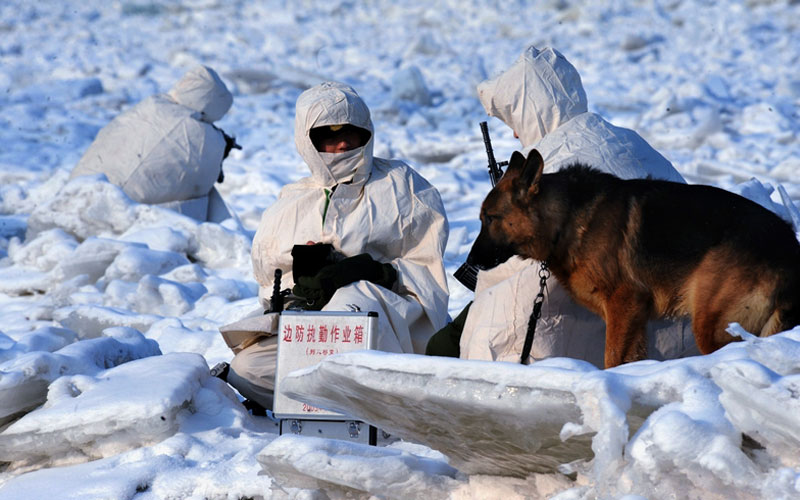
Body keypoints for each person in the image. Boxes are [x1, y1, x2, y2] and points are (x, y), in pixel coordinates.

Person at [427, 46, 697, 368]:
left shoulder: (556, 169)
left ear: (532, 111)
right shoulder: (630, 140)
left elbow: (517, 276)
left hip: (587, 348)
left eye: (515, 120)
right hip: (680, 336)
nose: (514, 133)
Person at [224, 81, 449, 410]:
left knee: (350, 303)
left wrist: (375, 272)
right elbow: (270, 284)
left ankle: (372, 404)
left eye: (350, 133)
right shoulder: (290, 205)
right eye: (328, 137)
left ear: (366, 133)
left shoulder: (401, 186)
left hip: (386, 323)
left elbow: (428, 271)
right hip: (311, 329)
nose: (342, 144)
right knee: (248, 369)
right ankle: (341, 407)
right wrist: (304, 285)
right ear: (308, 141)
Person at [70, 65, 240, 223]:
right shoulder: (204, 137)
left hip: (76, 190)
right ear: (213, 106)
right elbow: (198, 188)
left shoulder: (153, 104)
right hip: (118, 214)